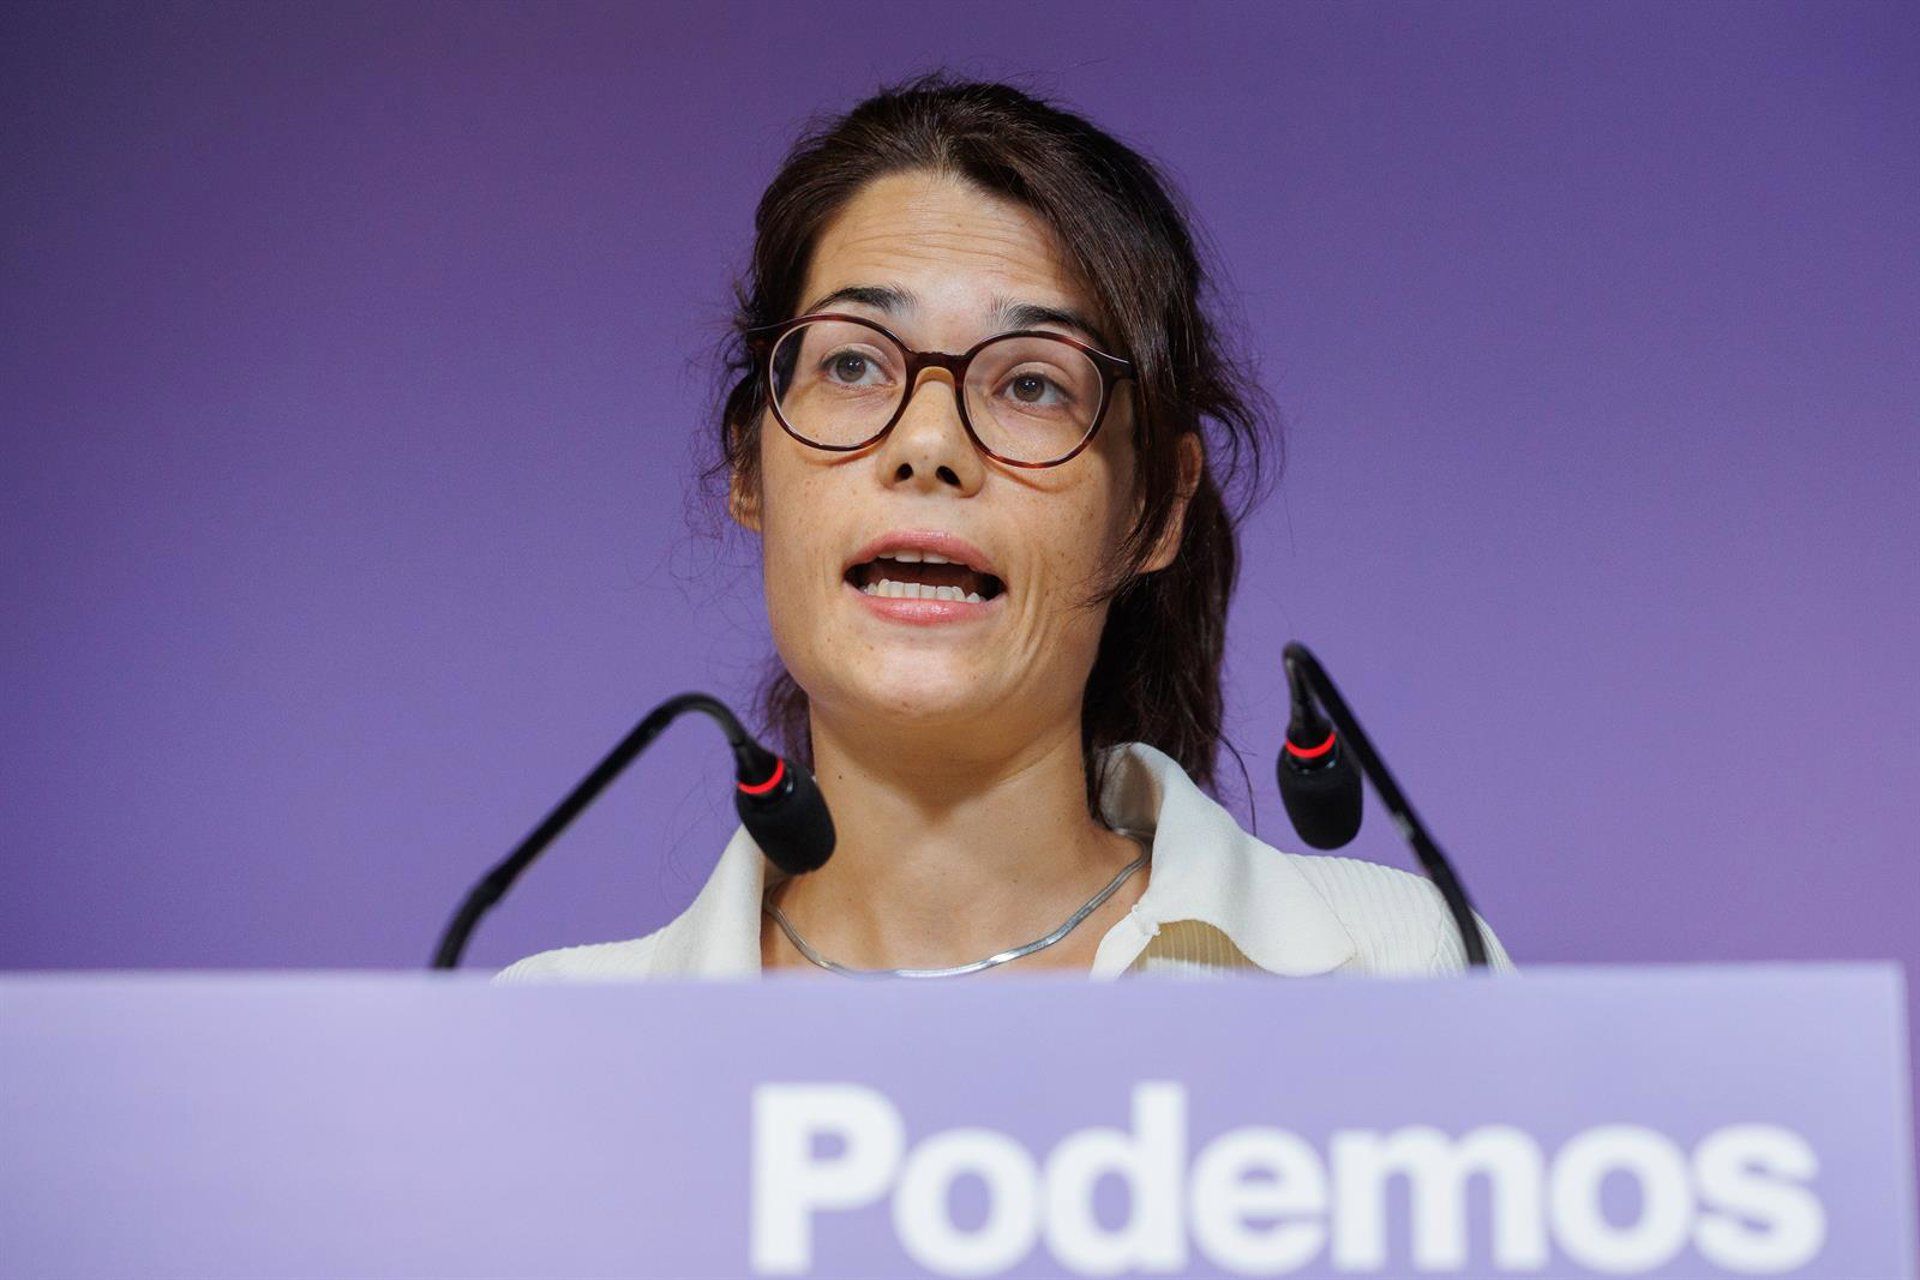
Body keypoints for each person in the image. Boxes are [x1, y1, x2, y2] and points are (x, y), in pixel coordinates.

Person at [499, 77, 1510, 982]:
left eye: (1031, 382)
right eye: (852, 364)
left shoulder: (1401, 971)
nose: (929, 444)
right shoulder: (557, 1040)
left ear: (1156, 506)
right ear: (748, 469)